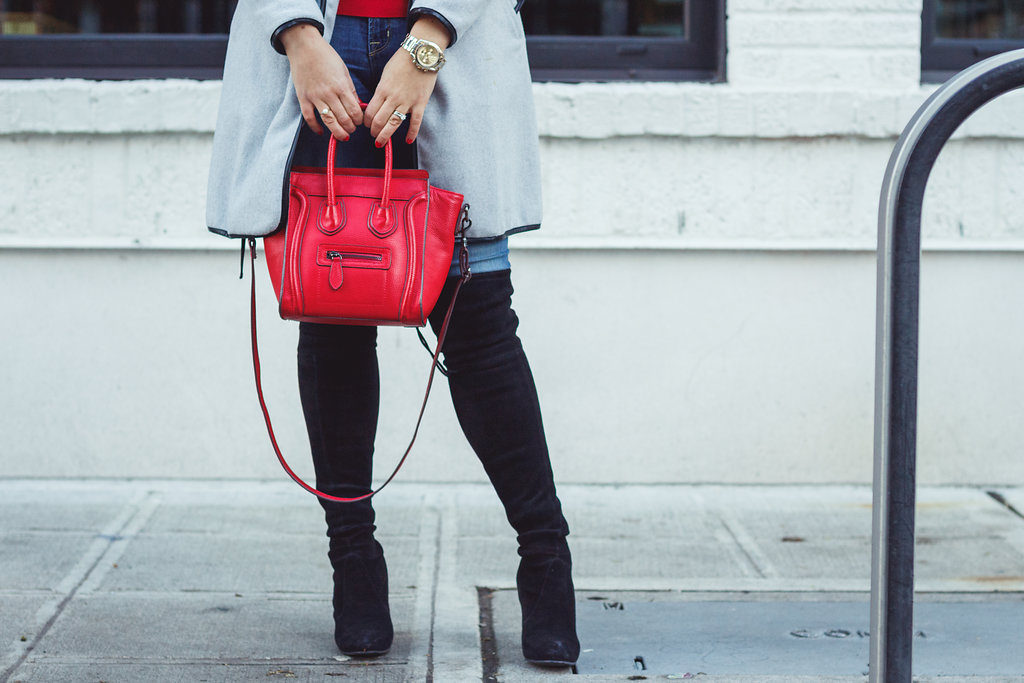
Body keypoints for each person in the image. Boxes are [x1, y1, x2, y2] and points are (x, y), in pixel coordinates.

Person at [206, 0, 579, 667]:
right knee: (333, 314)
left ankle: (546, 558)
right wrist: (298, 37)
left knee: (480, 323)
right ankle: (353, 559)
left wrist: (427, 43)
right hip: (319, 41)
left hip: (453, 38)